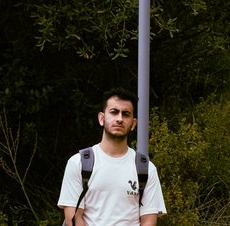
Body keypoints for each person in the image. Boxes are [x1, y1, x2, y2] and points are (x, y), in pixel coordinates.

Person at [58, 88, 167, 225]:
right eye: (114, 112)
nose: (120, 119)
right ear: (101, 118)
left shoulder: (146, 169)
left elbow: (148, 221)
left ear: (133, 124)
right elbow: (73, 218)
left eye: (126, 114)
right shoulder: (78, 163)